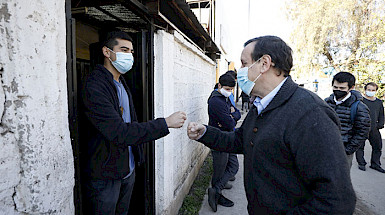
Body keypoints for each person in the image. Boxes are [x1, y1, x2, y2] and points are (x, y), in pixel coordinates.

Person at [187, 36, 356, 214]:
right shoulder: (261, 104)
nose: (240, 71)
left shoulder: (310, 113)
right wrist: (206, 133)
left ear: (264, 63)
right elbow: (240, 140)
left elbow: (337, 202)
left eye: (244, 64)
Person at [80, 31, 187, 215]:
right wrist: (165, 123)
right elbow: (119, 132)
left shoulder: (121, 83)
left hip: (127, 170)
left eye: (131, 51)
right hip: (105, 175)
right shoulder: (95, 86)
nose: (129, 55)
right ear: (107, 52)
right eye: (123, 50)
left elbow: (131, 123)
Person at [207, 73, 241, 212]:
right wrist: (232, 116)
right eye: (227, 89)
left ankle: (216, 190)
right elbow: (230, 121)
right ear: (219, 86)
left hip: (228, 136)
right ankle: (216, 193)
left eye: (231, 90)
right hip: (219, 140)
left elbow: (236, 114)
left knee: (233, 166)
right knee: (220, 170)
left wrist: (233, 116)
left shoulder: (224, 98)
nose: (230, 92)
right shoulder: (216, 101)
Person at [325, 72, 371, 168]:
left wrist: (347, 150)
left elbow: (362, 132)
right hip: (324, 149)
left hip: (344, 151)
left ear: (351, 88)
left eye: (342, 88)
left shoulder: (359, 107)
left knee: (340, 180)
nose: (338, 90)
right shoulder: (325, 103)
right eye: (335, 87)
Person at [355, 82, 385, 173]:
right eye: (369, 90)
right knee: (360, 147)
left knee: (377, 147)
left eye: (373, 90)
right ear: (365, 90)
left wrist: (380, 125)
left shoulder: (379, 102)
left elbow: (381, 115)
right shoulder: (360, 101)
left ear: (376, 91)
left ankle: (375, 164)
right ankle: (361, 163)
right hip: (361, 128)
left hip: (374, 129)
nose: (370, 91)